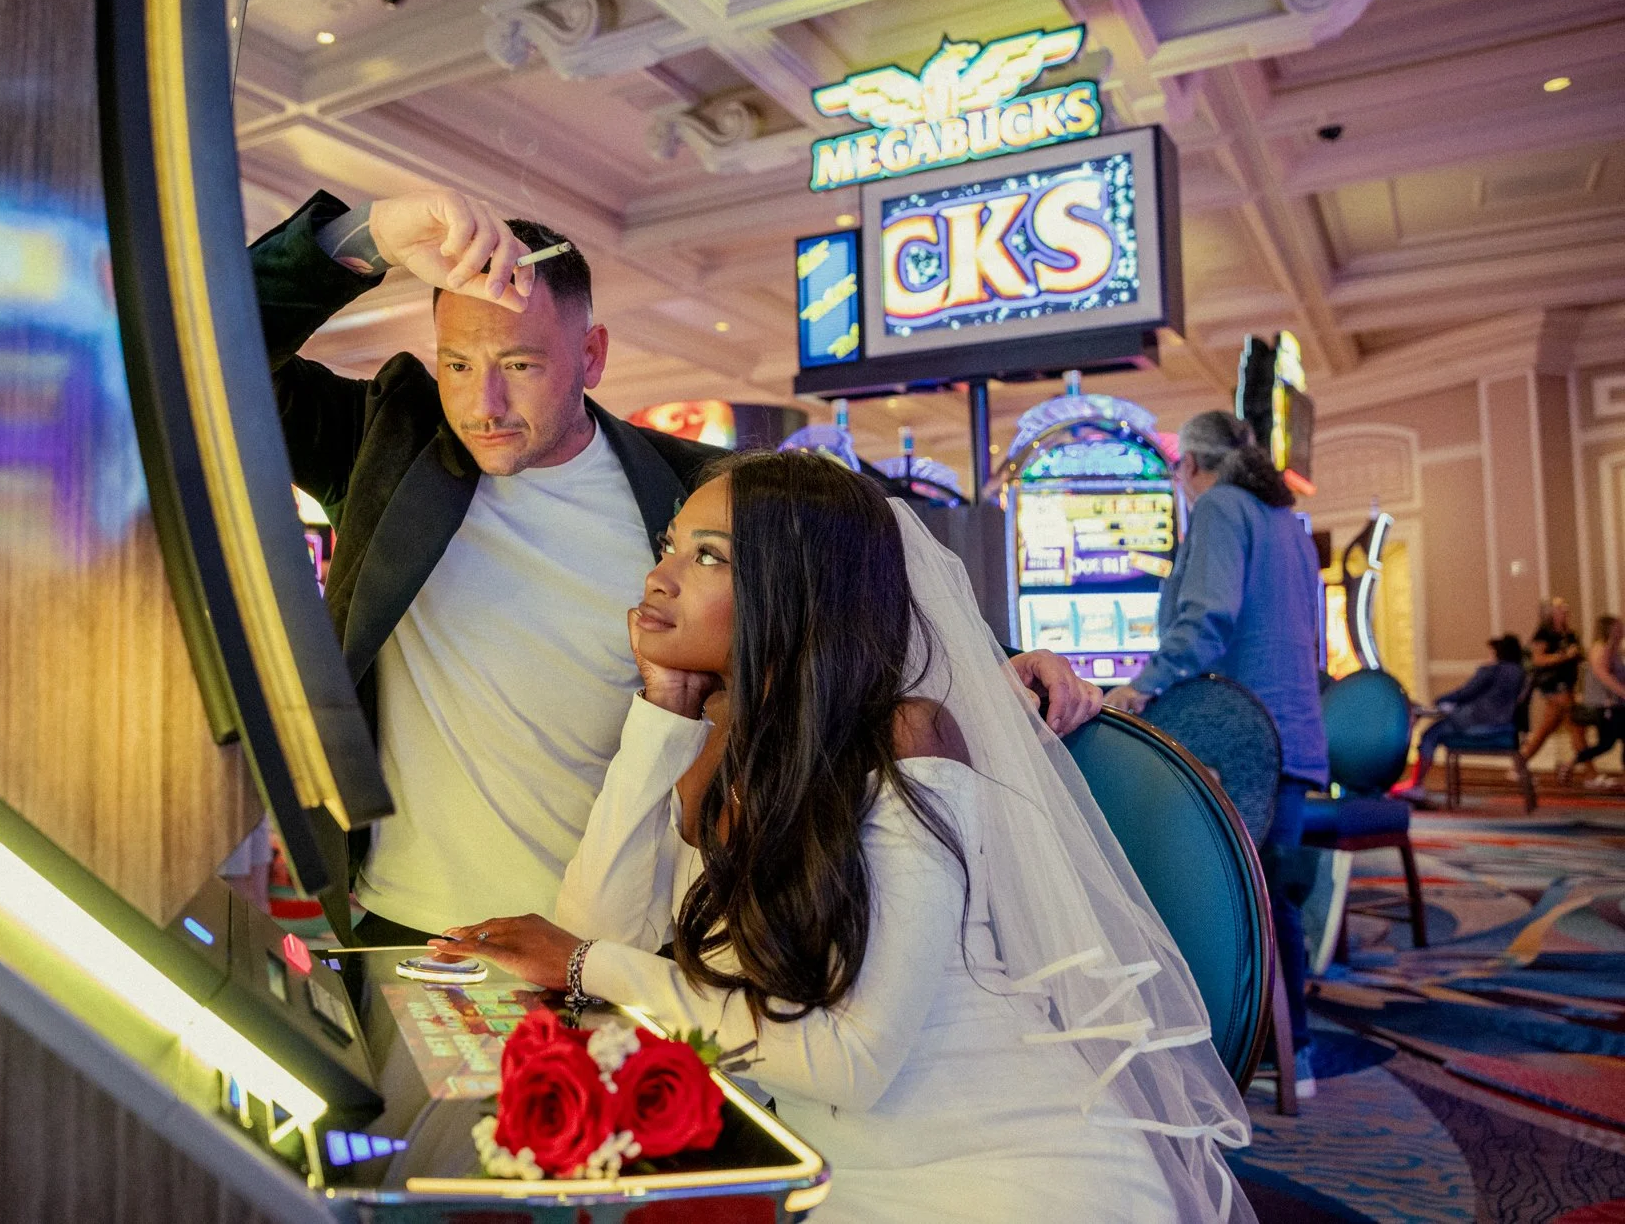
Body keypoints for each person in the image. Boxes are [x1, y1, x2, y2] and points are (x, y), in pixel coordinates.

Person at [247, 188, 1101, 943]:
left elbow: (859, 592)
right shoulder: (383, 447)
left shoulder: (698, 494)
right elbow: (204, 342)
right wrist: (368, 234)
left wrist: (996, 661)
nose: (484, 403)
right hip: (411, 922)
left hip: (623, 938)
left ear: (590, 358)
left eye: (519, 365)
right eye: (458, 365)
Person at [435, 453, 1251, 1222]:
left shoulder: (907, 738)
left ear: (796, 590)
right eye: (670, 547)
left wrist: (585, 964)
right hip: (831, 1165)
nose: (659, 577)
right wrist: (664, 707)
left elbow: (851, 1059)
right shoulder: (715, 747)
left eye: (711, 557)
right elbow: (597, 926)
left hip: (1010, 1172)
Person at [1102, 411, 1325, 1100]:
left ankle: (1237, 1045)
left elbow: (1208, 615)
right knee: (1272, 891)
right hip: (1291, 728)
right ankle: (1295, 1053)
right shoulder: (1287, 524)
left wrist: (1139, 686)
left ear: (1191, 467)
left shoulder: (1223, 507)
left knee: (1219, 889)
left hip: (1236, 734)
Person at [1394, 635, 1526, 798]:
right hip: (1506, 727)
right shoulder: (1519, 673)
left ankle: (1416, 784)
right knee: (1438, 728)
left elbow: (1466, 693)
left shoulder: (1493, 671)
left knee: (1431, 733)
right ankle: (1416, 784)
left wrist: (1440, 701)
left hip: (1481, 725)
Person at [1519, 596, 1587, 783]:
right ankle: (1590, 772)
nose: (1565, 609)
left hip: (1568, 685)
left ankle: (1519, 764)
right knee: (1576, 726)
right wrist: (1563, 656)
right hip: (1554, 687)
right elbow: (1538, 659)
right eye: (1560, 607)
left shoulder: (1569, 634)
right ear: (1551, 613)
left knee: (1547, 728)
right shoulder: (1544, 634)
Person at [1563, 615, 1623, 789]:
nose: (1622, 628)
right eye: (1618, 626)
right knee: (1606, 743)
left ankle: (1572, 763)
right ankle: (1572, 762)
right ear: (1609, 629)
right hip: (1604, 705)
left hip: (1616, 704)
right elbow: (1603, 675)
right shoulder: (1601, 649)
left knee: (1610, 742)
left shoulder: (1613, 649)